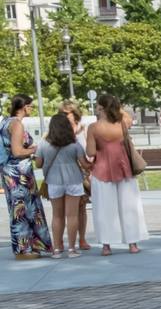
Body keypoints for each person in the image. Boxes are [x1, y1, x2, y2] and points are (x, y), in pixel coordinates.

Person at [86, 93, 149, 256]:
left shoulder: (93, 127)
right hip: (124, 168)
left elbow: (91, 151)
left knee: (104, 208)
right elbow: (127, 116)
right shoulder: (122, 123)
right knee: (129, 206)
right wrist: (116, 105)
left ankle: (106, 246)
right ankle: (132, 244)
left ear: (99, 107)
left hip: (102, 170)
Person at [1, 95, 53, 259]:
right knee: (23, 210)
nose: (31, 109)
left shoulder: (5, 122)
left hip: (11, 172)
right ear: (24, 107)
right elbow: (17, 151)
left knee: (20, 209)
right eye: (30, 106)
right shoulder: (16, 125)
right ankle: (24, 250)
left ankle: (28, 247)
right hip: (19, 174)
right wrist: (35, 149)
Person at [36, 112, 90, 258]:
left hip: (53, 181)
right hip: (73, 180)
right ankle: (72, 249)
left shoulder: (43, 144)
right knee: (72, 216)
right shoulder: (74, 144)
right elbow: (85, 164)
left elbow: (38, 164)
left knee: (57, 216)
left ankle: (57, 249)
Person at [59, 100, 92, 252]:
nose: (64, 116)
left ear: (74, 113)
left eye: (66, 113)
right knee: (62, 209)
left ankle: (82, 239)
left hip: (82, 171)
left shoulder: (83, 129)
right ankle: (61, 241)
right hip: (63, 171)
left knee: (81, 207)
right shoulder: (56, 129)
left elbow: (89, 149)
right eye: (62, 114)